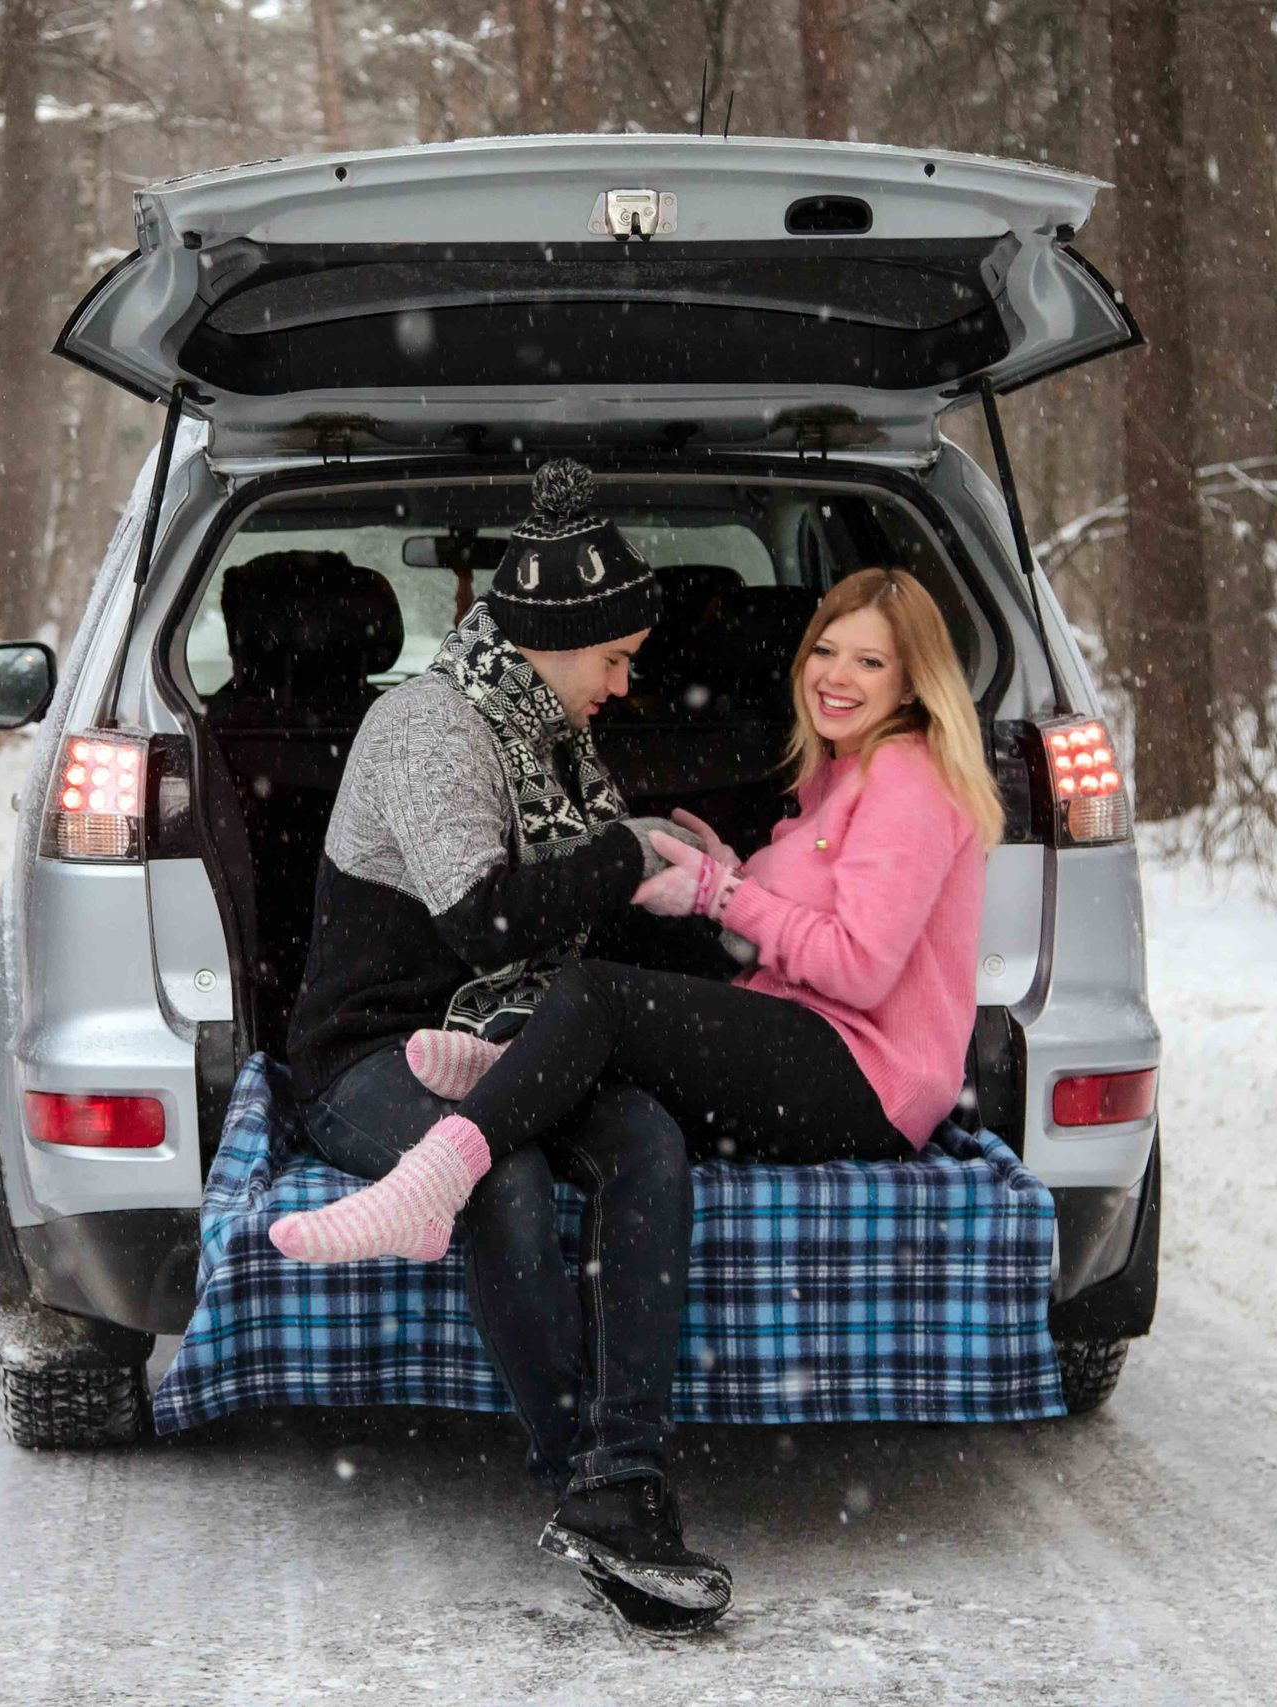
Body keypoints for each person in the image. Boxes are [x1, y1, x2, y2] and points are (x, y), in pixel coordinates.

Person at [272, 567, 1004, 1605]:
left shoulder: (905, 778)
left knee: (604, 1002)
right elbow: (781, 937)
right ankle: (613, 1484)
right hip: (813, 1042)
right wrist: (728, 874)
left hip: (864, 1073)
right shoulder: (838, 780)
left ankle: (442, 1162)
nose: (837, 675)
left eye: (869, 660)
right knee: (626, 1076)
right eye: (827, 651)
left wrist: (719, 890)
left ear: (916, 680)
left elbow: (859, 967)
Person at [279, 459, 734, 1627]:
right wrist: (627, 854)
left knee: (649, 1144)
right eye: (615, 660)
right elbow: (484, 920)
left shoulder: (552, 734)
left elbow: (581, 915)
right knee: (508, 1181)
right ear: (556, 642)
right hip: (375, 1047)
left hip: (513, 1035)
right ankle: (573, 1470)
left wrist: (733, 913)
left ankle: (624, 1481)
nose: (626, 686)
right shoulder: (427, 727)